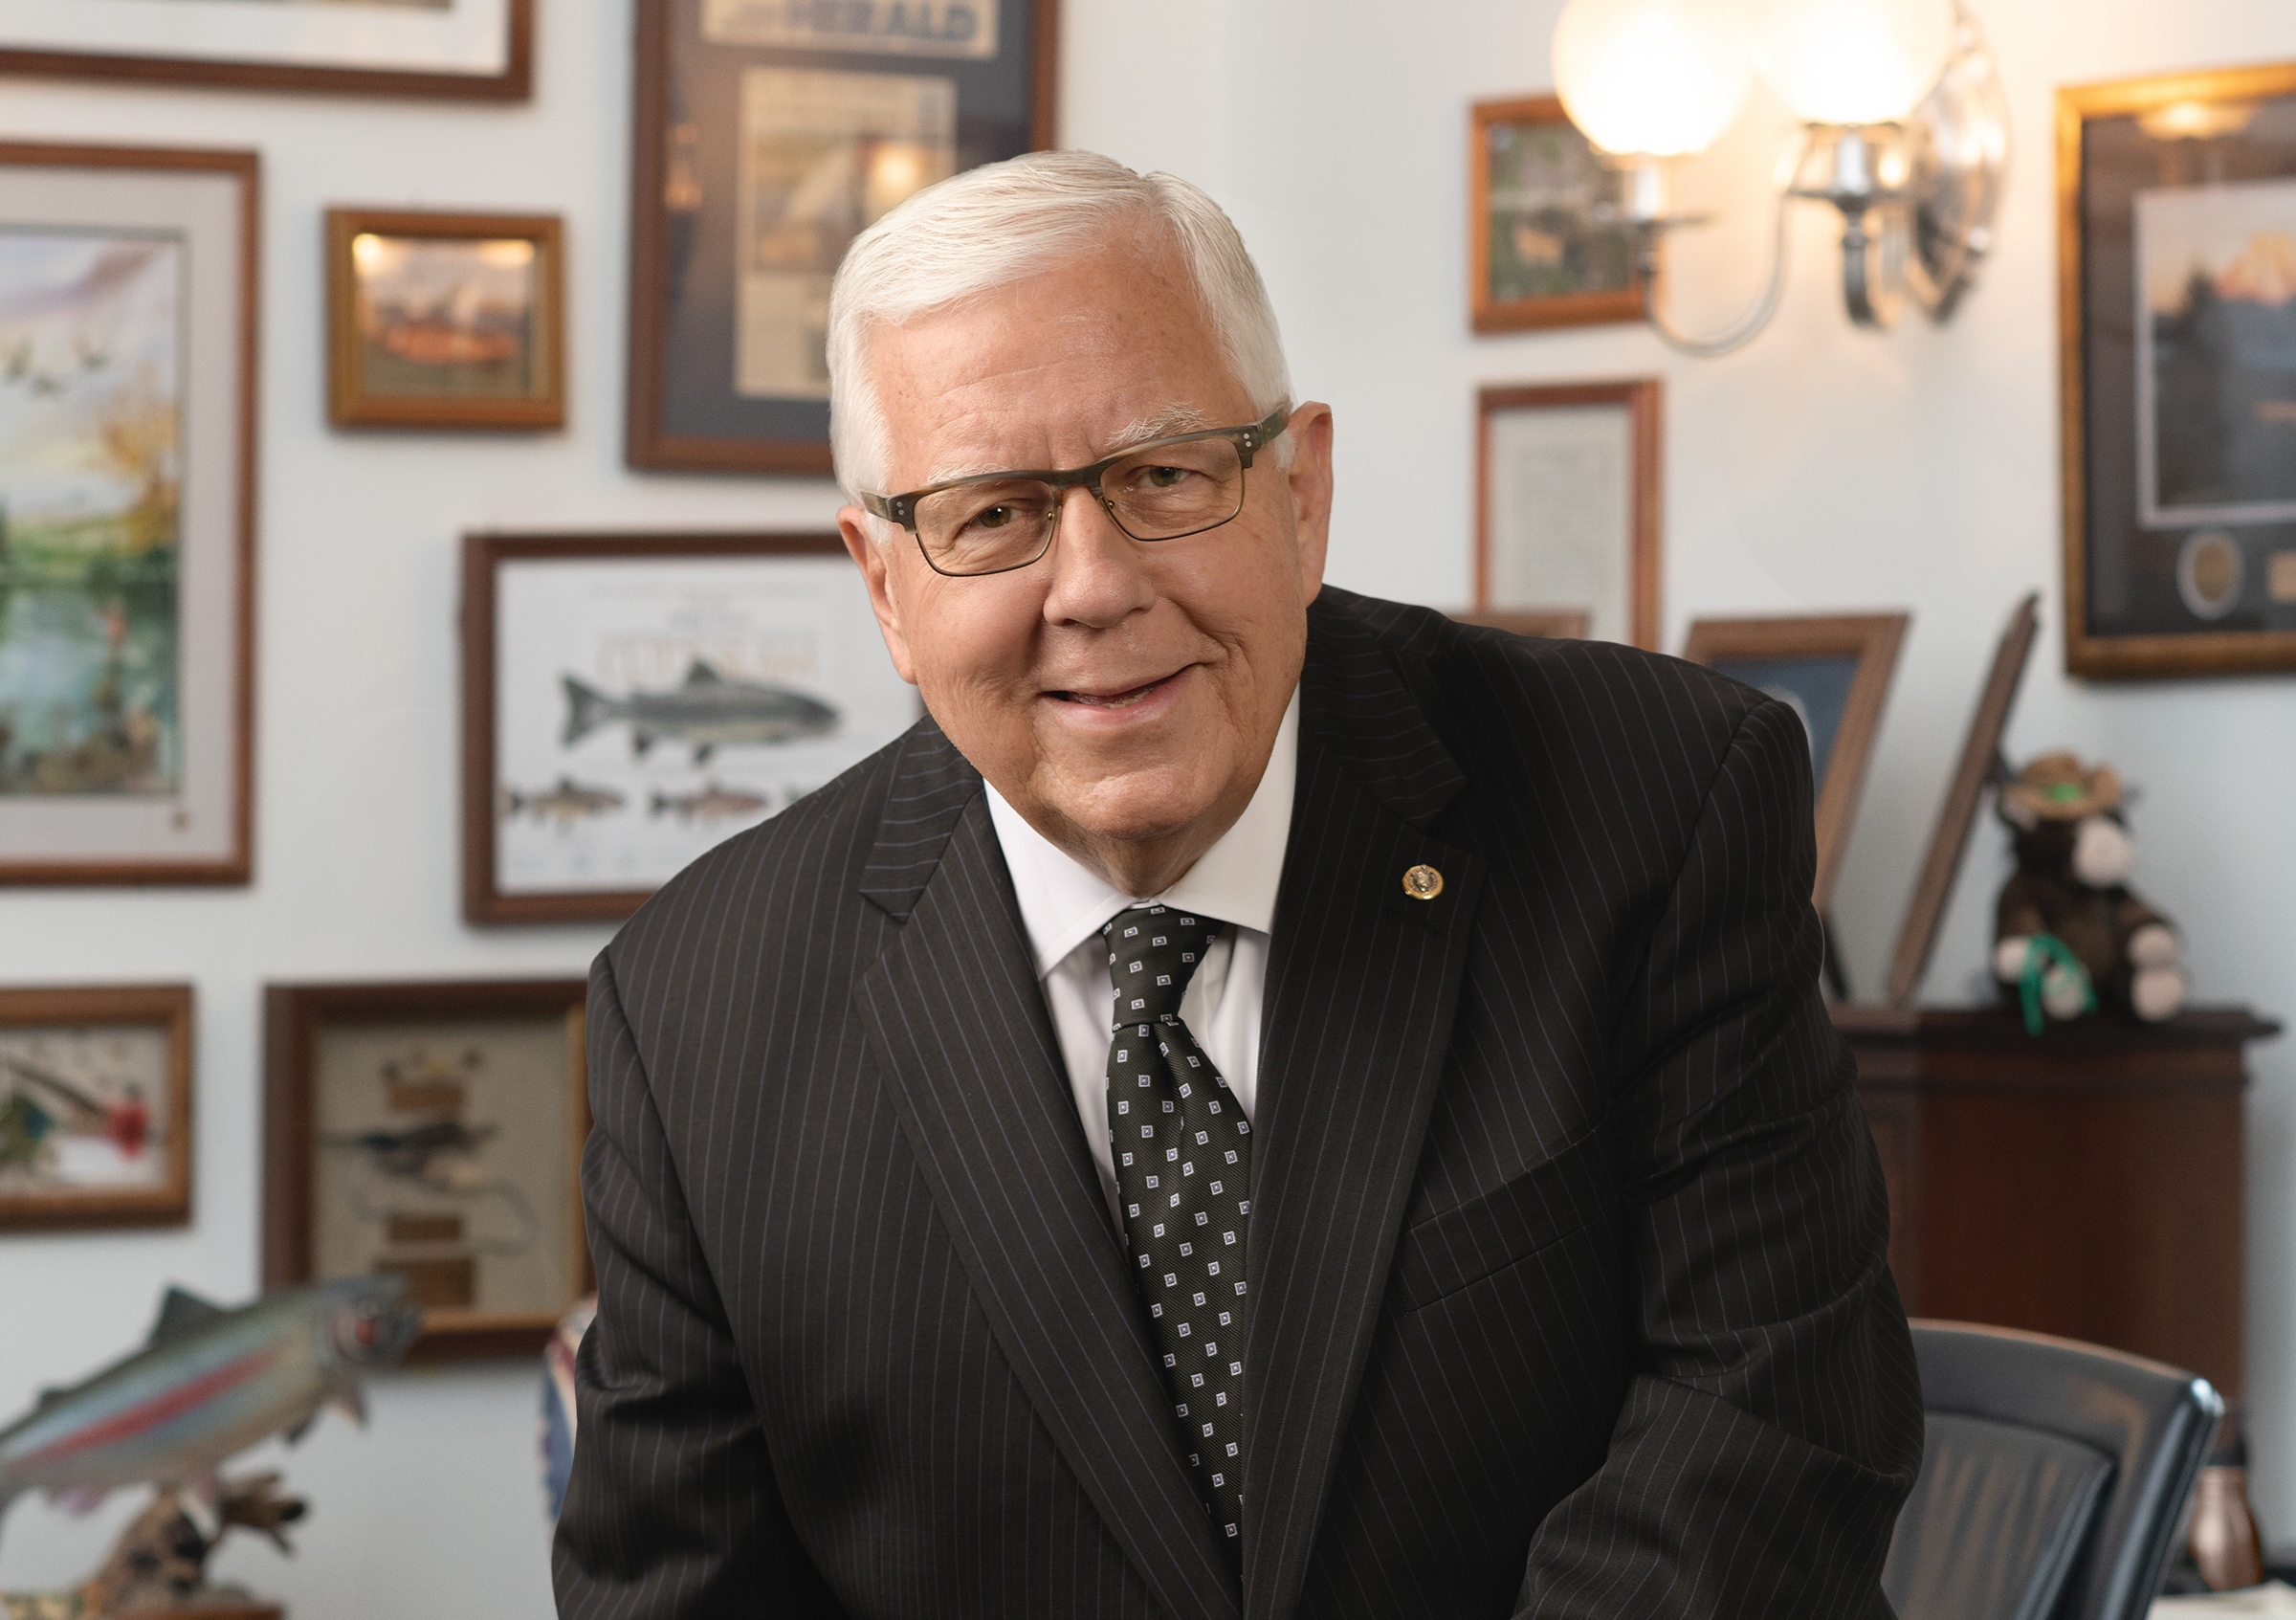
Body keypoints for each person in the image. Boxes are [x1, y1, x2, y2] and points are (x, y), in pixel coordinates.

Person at [553, 150, 1922, 1620]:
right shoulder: (694, 1011)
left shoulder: (1652, 801)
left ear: (1301, 492)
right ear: (886, 582)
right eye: (994, 513)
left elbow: (1768, 1426)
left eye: (1164, 476)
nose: (1094, 585)